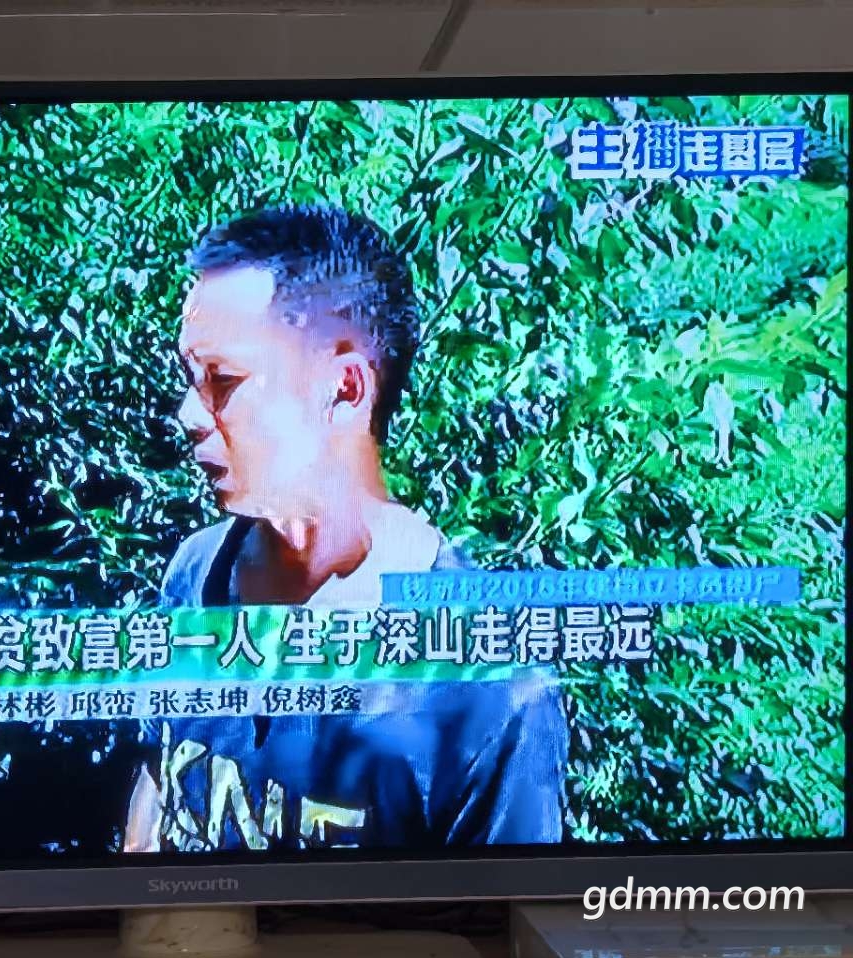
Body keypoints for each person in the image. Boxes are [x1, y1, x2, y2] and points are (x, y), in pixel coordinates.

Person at [125, 204, 567, 851]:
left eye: (223, 380)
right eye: (192, 378)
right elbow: (157, 789)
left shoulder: (490, 692)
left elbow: (506, 909)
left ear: (345, 389)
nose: (189, 413)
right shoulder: (195, 573)